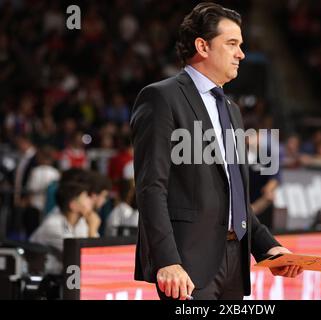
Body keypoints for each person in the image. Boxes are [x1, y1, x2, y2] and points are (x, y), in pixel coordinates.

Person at [131, 3, 302, 301]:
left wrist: (269, 247)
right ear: (203, 46)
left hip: (234, 262)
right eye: (232, 44)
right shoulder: (161, 97)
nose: (241, 54)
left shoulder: (232, 110)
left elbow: (234, 197)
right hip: (187, 264)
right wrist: (167, 260)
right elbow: (150, 188)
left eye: (241, 45)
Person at [29, 182, 99, 274]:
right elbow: (83, 259)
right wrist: (93, 229)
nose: (91, 201)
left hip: (67, 276)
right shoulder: (54, 225)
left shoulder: (81, 222)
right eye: (86, 197)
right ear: (73, 205)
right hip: (44, 280)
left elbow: (97, 257)